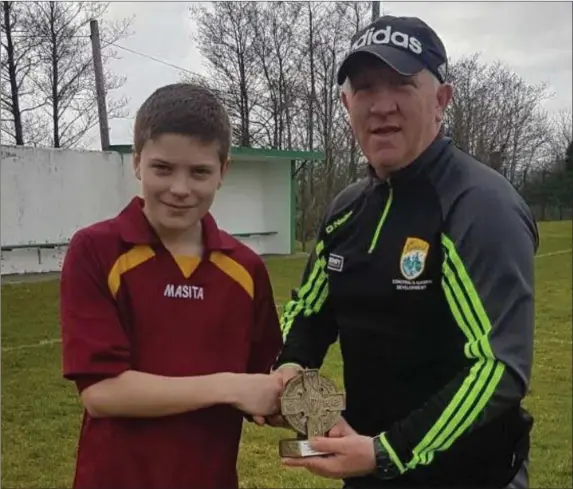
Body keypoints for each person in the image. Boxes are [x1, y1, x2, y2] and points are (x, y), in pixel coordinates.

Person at [268, 15, 538, 489]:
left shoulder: (478, 206)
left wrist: (386, 451)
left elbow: (499, 368)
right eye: (366, 88)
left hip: (470, 476)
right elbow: (309, 310)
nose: (382, 105)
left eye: (402, 84)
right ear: (345, 103)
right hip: (369, 471)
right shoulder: (346, 209)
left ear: (441, 100)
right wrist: (291, 365)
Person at [59, 82, 283, 489]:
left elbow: (261, 385)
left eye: (199, 171)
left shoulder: (246, 269)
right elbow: (102, 393)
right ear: (137, 162)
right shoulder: (95, 250)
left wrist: (304, 404)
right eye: (163, 168)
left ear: (223, 172)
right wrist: (230, 386)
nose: (180, 189)